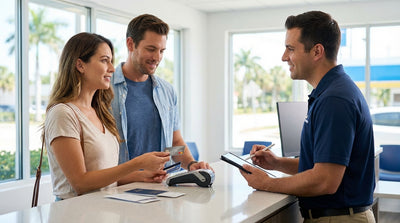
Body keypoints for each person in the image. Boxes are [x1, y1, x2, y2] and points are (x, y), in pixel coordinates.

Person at [240, 11, 376, 223]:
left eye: (291, 49)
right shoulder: (331, 91)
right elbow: (323, 164)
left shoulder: (335, 99)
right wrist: (277, 163)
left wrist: (266, 183)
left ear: (317, 51)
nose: (284, 57)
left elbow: (325, 181)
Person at [44, 32, 170, 200]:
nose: (111, 68)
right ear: (80, 65)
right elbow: (80, 183)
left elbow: (103, 178)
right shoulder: (63, 114)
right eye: (104, 60)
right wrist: (137, 163)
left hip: (102, 210)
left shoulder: (99, 112)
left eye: (111, 60)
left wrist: (141, 176)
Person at [110, 14, 211, 179]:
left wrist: (191, 164)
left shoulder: (167, 91)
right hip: (118, 191)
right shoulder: (104, 89)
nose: (157, 57)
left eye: (161, 51)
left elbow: (174, 145)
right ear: (130, 44)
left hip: (161, 188)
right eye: (151, 49)